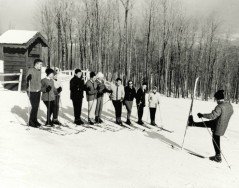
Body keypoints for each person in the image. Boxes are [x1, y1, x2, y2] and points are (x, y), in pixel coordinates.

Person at [188, 90, 234, 163]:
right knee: (209, 124)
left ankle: (218, 157)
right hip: (222, 125)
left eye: (216, 99)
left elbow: (212, 116)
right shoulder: (229, 105)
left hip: (218, 126)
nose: (215, 101)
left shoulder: (219, 106)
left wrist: (202, 115)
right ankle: (192, 123)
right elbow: (231, 112)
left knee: (215, 140)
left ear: (218, 99)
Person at [26, 59, 43, 128]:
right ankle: (31, 121)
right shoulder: (31, 70)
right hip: (31, 90)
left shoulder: (39, 71)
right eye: (40, 64)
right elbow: (27, 78)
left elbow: (38, 81)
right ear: (36, 64)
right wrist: (28, 78)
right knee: (34, 106)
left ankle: (35, 120)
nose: (41, 66)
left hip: (37, 90)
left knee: (37, 106)